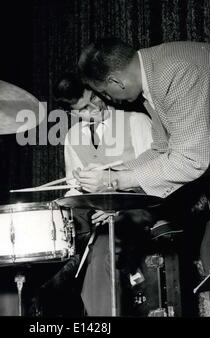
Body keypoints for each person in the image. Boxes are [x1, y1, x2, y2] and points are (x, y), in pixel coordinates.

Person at [76, 38, 210, 316]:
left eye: (104, 93)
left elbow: (191, 160)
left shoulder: (175, 74)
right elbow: (162, 150)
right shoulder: (154, 74)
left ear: (115, 81)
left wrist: (116, 182)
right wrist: (113, 176)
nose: (109, 100)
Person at [48, 73, 154, 315]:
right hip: (95, 211)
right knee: (47, 232)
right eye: (84, 108)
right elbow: (76, 186)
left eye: (94, 97)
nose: (95, 107)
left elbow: (156, 176)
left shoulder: (136, 122)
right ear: (73, 113)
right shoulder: (72, 137)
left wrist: (117, 203)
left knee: (104, 249)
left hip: (137, 207)